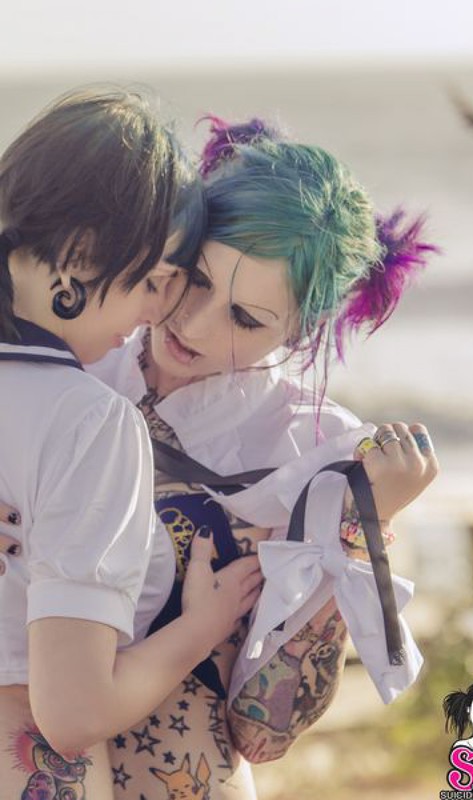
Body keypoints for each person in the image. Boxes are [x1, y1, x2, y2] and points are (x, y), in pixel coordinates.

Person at [80, 116, 436, 798]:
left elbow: (263, 734)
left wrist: (357, 527)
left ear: (302, 330)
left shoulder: (307, 451)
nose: (193, 324)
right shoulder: (70, 356)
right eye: (195, 278)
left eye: (246, 318)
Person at [0, 92, 262, 799]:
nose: (157, 311)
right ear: (79, 254)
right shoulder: (88, 422)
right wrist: (201, 628)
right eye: (154, 280)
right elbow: (75, 713)